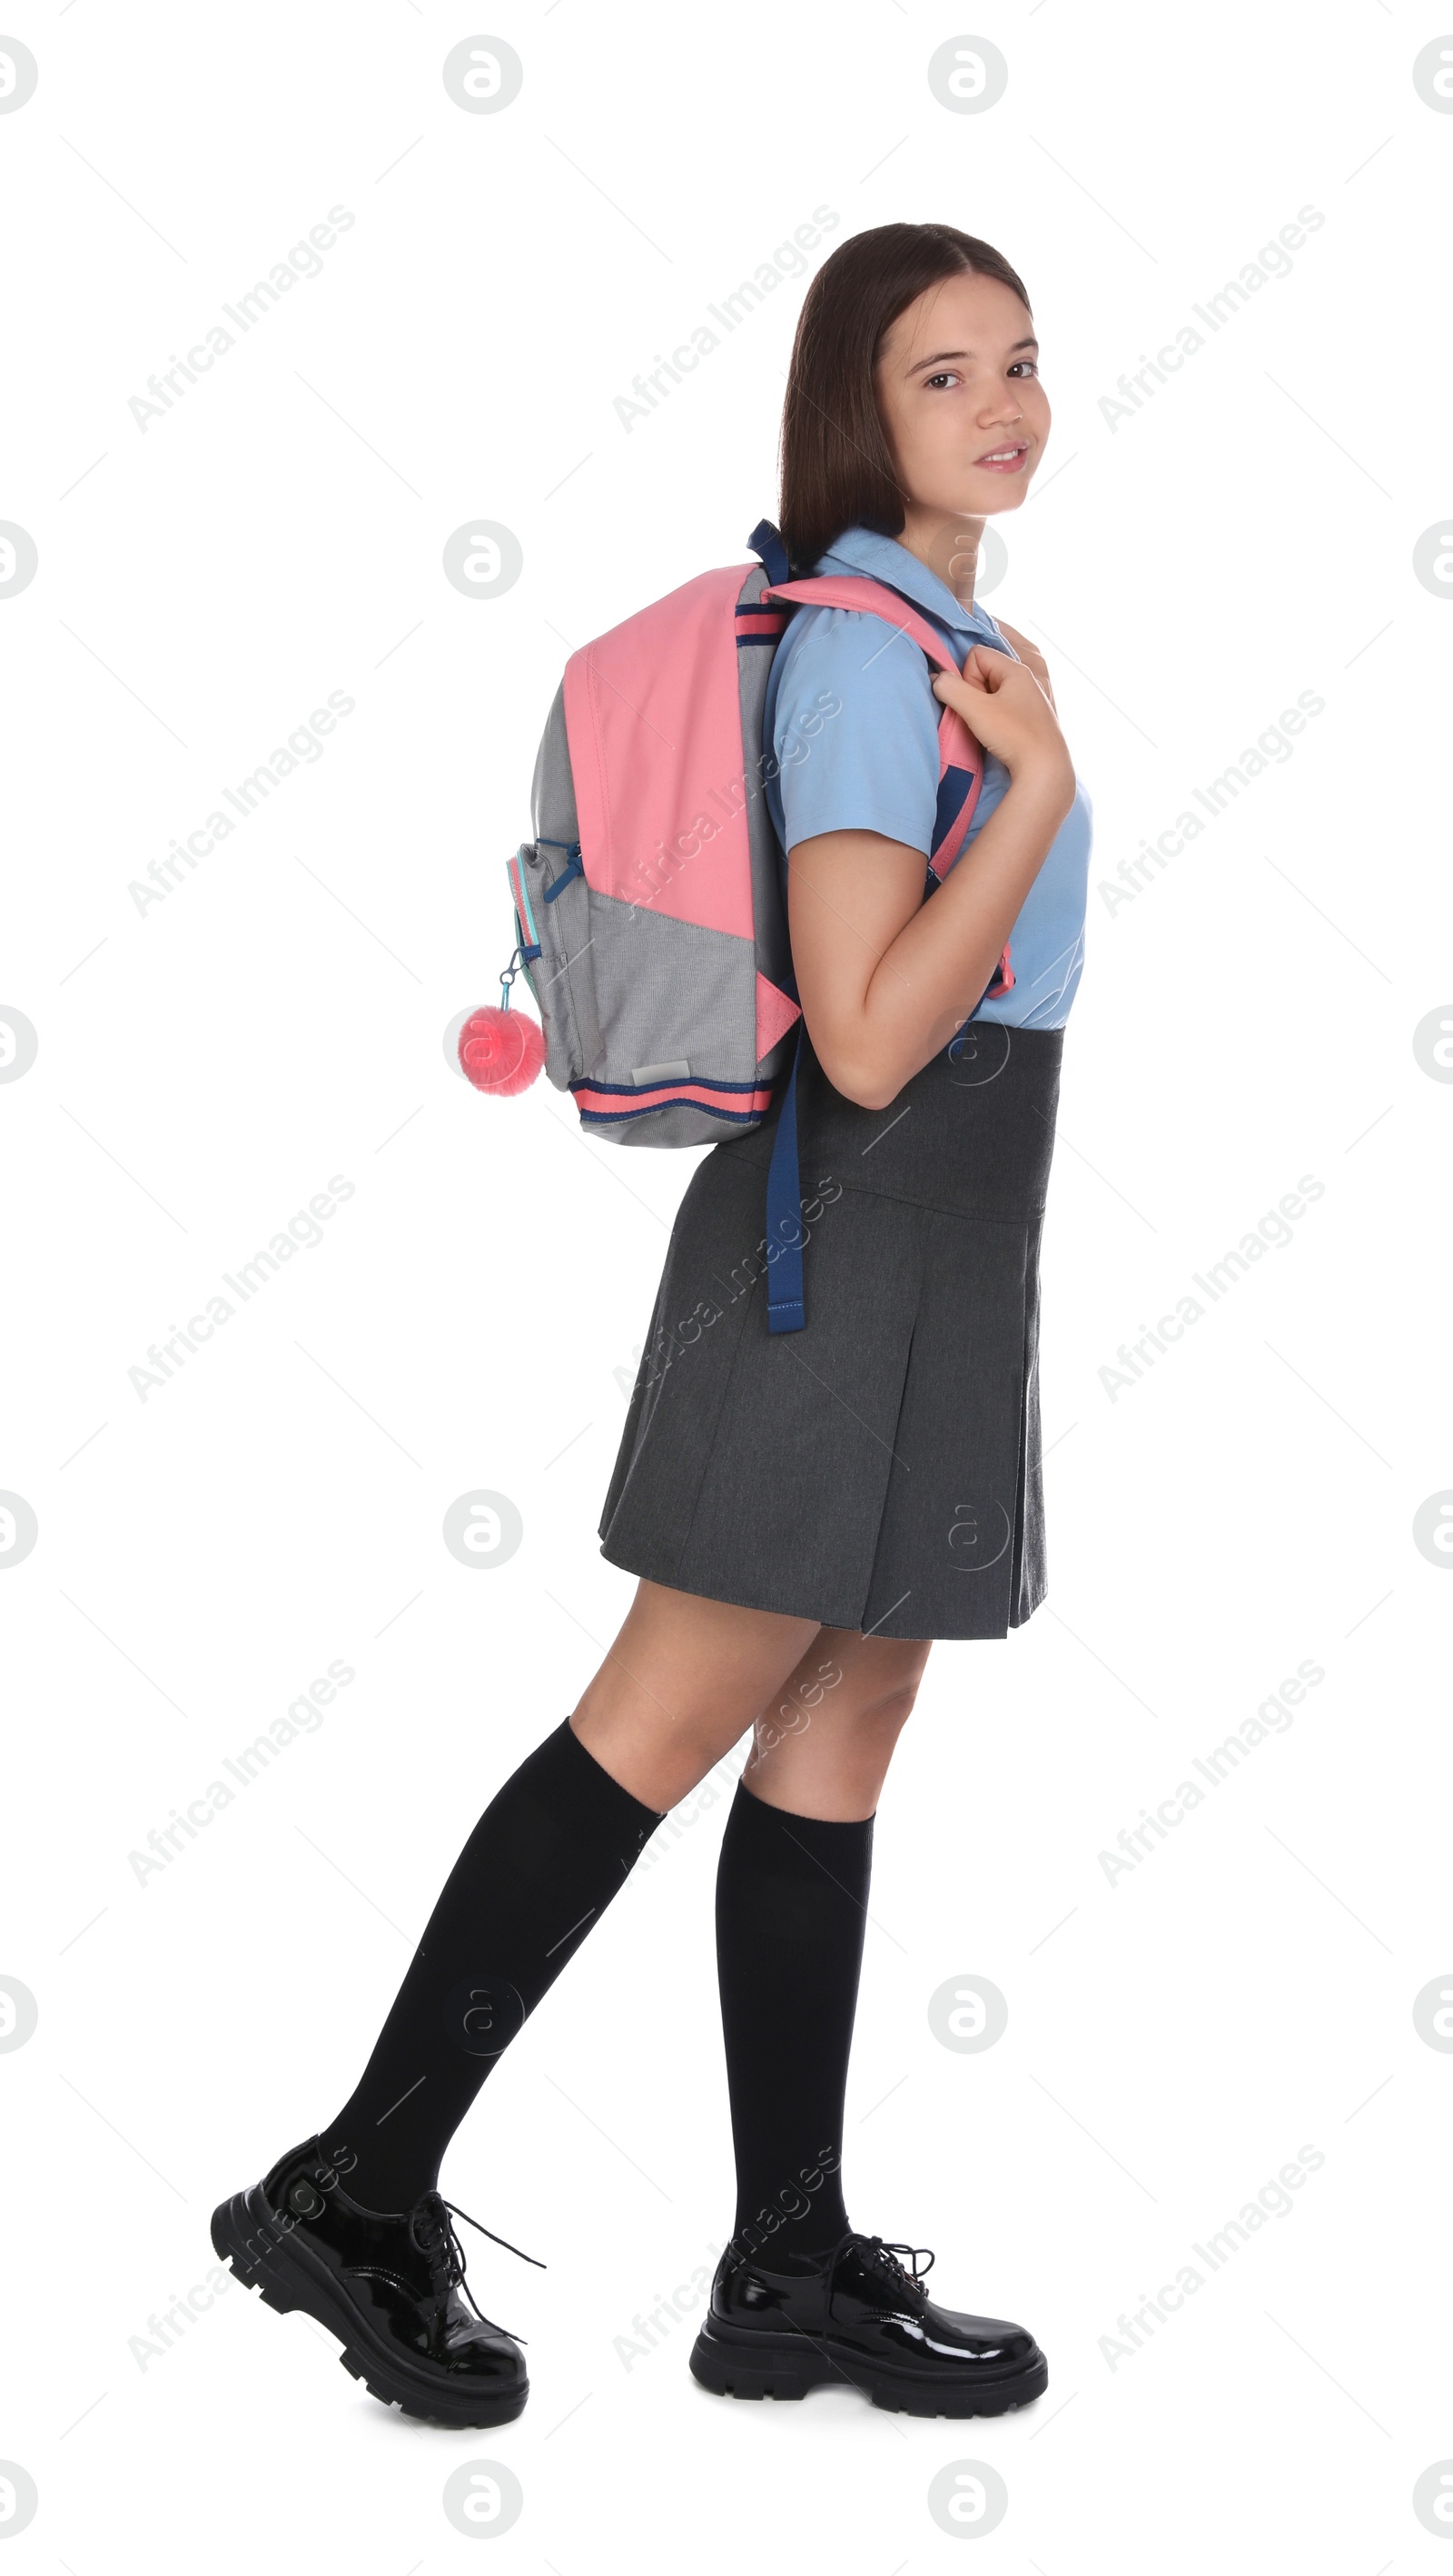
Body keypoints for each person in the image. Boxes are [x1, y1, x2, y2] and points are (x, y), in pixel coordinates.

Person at [212, 219, 1092, 2429]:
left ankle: (781, 2263)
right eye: (938, 375)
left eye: (1017, 361)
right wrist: (1045, 795)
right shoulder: (871, 661)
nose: (999, 404)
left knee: (848, 1708)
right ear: (849, 412)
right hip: (837, 1245)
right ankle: (356, 2181)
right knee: (667, 1710)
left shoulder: (947, 635)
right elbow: (877, 1037)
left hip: (943, 1259)